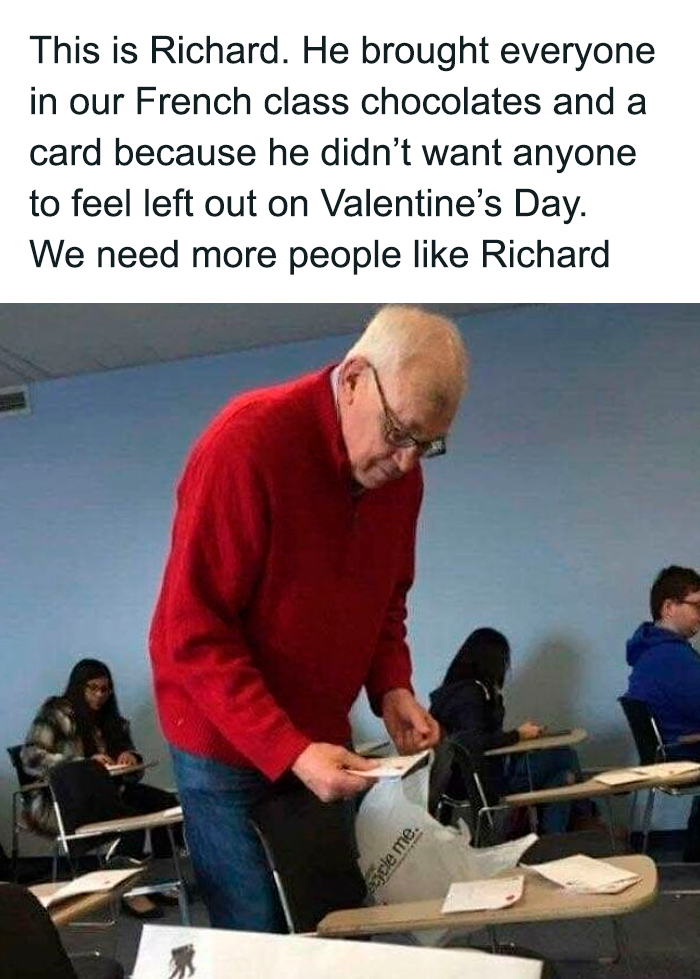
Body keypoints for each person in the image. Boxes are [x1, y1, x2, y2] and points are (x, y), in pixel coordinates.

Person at [149, 304, 469, 931]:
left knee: (335, 921)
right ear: (353, 381)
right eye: (401, 434)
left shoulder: (398, 479)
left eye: (430, 445)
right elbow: (191, 632)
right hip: (226, 746)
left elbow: (385, 598)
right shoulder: (245, 443)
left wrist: (392, 687)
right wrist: (288, 749)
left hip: (320, 737)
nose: (408, 464)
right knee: (262, 935)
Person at [21, 658, 179, 917]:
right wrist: (82, 763)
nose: (99, 695)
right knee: (130, 819)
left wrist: (130, 758)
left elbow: (131, 775)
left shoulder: (112, 720)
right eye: (92, 688)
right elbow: (30, 756)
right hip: (65, 799)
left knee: (166, 804)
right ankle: (128, 893)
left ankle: (154, 880)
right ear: (78, 687)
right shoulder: (57, 712)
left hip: (106, 792)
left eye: (105, 689)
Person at [430, 627, 584, 834]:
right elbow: (472, 740)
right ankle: (585, 815)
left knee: (562, 778)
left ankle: (545, 840)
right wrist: (518, 735)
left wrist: (520, 736)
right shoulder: (471, 694)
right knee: (566, 756)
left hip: (468, 777)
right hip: (483, 781)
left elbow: (475, 736)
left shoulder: (454, 691)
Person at [625, 565, 700, 858]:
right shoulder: (670, 657)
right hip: (684, 751)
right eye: (697, 606)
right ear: (669, 607)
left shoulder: (651, 651)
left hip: (676, 748)